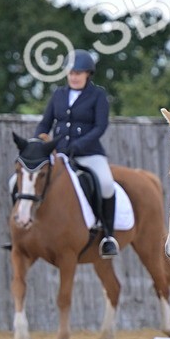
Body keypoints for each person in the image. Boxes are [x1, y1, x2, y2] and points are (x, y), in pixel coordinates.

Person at [35, 49, 119, 258]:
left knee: (107, 184)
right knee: (26, 180)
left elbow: (100, 127)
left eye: (78, 73)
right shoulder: (59, 95)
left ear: (87, 74)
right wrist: (39, 140)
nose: (74, 77)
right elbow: (45, 123)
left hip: (89, 153)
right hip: (59, 154)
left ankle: (108, 236)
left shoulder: (98, 95)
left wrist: (78, 145)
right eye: (71, 73)